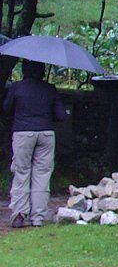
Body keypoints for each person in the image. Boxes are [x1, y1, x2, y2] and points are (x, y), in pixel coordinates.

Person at [4, 60, 67, 228]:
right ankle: (38, 216)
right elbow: (61, 115)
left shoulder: (17, 87)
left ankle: (19, 214)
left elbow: (6, 108)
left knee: (21, 172)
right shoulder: (50, 89)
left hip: (23, 133)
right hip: (46, 133)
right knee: (42, 174)